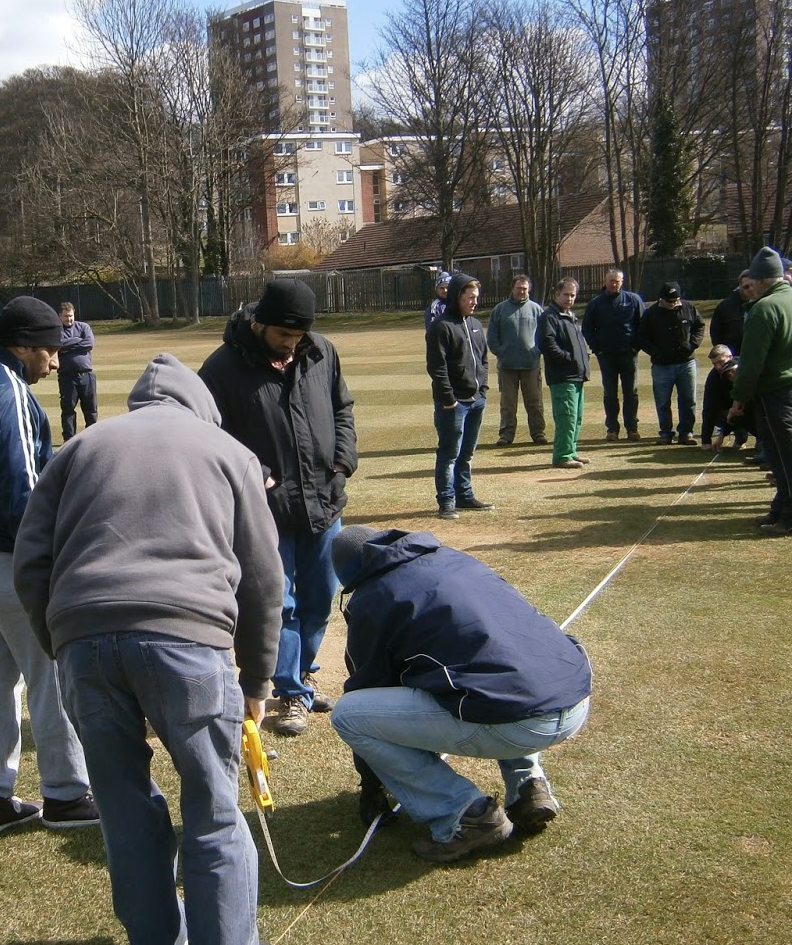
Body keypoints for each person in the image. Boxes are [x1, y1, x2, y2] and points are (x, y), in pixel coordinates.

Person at [13, 353, 284, 945]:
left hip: (83, 640)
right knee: (214, 807)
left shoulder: (80, 446)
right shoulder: (228, 451)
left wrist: (63, 646)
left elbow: (30, 563)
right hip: (190, 642)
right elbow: (264, 578)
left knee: (124, 806)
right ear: (200, 407)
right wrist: (257, 678)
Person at [327, 525, 592, 864]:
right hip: (573, 696)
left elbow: (371, 687)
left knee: (349, 714)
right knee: (495, 668)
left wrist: (371, 781)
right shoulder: (453, 558)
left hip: (519, 720)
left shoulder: (372, 598)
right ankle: (529, 787)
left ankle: (465, 815)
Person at [0, 296, 97, 838]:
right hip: (10, 564)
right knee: (51, 678)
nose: (56, 361)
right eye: (50, 350)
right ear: (23, 345)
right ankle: (66, 795)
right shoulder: (5, 388)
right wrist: (51, 564)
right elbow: (25, 493)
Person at [199, 278, 356, 737]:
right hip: (265, 510)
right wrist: (255, 474)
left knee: (320, 598)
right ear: (258, 323)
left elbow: (342, 407)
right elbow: (208, 435)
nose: (291, 345)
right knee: (278, 604)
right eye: (283, 336)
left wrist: (343, 459)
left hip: (324, 500)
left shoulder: (322, 351)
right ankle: (288, 692)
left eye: (298, 336)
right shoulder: (222, 368)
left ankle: (303, 675)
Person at [729, 248, 792, 537]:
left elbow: (752, 362)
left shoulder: (764, 309)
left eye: (752, 282)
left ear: (761, 280)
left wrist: (739, 398)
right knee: (791, 454)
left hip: (779, 391)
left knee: (787, 457)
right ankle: (781, 508)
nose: (749, 288)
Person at [425, 272, 492, 518]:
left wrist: (482, 391)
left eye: (477, 297)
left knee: (467, 452)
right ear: (457, 295)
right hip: (453, 404)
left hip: (476, 400)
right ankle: (446, 501)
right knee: (449, 453)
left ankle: (464, 495)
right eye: (470, 297)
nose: (475, 302)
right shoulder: (441, 326)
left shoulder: (475, 324)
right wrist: (449, 399)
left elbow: (483, 360)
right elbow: (436, 367)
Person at [638, 281, 706, 445]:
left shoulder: (689, 308)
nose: (673, 303)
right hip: (662, 366)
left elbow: (700, 326)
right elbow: (641, 337)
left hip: (686, 363)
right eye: (669, 301)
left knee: (688, 400)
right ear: (661, 299)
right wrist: (656, 353)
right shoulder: (651, 313)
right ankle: (666, 433)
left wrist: (692, 345)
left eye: (675, 300)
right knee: (662, 402)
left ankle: (686, 432)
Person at [581, 269, 644, 440]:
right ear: (605, 281)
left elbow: (643, 324)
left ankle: (632, 428)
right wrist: (597, 349)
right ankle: (612, 429)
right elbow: (587, 329)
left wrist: (635, 347)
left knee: (631, 392)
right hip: (606, 356)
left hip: (628, 354)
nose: (614, 284)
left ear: (622, 282)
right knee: (610, 393)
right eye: (611, 281)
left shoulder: (632, 300)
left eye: (617, 281)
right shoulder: (595, 304)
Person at [487, 274, 549, 446]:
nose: (521, 291)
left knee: (535, 403)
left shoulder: (537, 310)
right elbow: (492, 336)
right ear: (512, 288)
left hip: (531, 365)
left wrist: (537, 352)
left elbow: (545, 336)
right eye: (518, 288)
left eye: (524, 288)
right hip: (507, 366)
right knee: (508, 404)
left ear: (529, 289)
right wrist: (500, 351)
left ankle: (538, 433)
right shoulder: (499, 310)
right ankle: (506, 435)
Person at [538, 277, 591, 469]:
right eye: (566, 294)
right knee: (566, 416)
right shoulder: (549, 317)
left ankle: (571, 450)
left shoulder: (570, 315)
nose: (569, 298)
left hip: (576, 375)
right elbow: (546, 344)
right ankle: (562, 455)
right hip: (562, 376)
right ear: (556, 294)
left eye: (573, 295)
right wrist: (568, 358)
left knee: (576, 417)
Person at [56, 301, 98, 441]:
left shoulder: (84, 327)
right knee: (68, 411)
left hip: (87, 375)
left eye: (71, 316)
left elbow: (89, 343)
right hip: (67, 377)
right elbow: (59, 345)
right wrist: (78, 342)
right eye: (66, 316)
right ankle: (69, 440)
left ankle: (92, 438)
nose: (69, 319)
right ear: (60, 316)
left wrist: (69, 344)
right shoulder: (57, 330)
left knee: (91, 410)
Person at [700, 345, 747, 450]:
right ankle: (740, 437)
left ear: (730, 357)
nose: (718, 367)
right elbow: (709, 408)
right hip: (731, 410)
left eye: (720, 362)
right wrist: (706, 441)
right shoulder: (713, 378)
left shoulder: (746, 367)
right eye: (714, 364)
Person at [709, 275, 748, 354]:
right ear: (740, 285)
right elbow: (715, 331)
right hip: (732, 356)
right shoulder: (725, 306)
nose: (750, 289)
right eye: (746, 286)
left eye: (752, 285)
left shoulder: (762, 304)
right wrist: (723, 352)